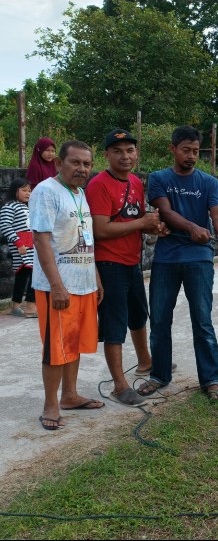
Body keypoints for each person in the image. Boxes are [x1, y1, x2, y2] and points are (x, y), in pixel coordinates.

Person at [139, 126, 218, 401]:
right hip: (166, 259)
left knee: (202, 320)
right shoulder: (159, 178)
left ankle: (211, 379)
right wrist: (193, 227)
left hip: (199, 259)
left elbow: (217, 213)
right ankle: (159, 375)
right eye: (186, 150)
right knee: (160, 319)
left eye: (195, 151)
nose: (191, 156)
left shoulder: (209, 182)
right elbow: (165, 211)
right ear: (173, 149)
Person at [86, 128, 168, 408]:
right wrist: (142, 223)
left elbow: (134, 220)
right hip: (109, 264)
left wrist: (154, 227)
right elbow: (100, 229)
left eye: (130, 150)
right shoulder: (99, 185)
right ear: (106, 155)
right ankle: (119, 385)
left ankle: (145, 362)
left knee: (138, 315)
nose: (125, 156)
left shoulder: (135, 181)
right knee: (114, 325)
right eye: (118, 151)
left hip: (132, 261)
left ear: (136, 153)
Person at [29, 140, 105, 430]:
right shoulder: (46, 191)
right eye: (75, 162)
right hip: (58, 287)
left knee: (73, 343)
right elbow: (41, 239)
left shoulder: (80, 193)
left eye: (87, 164)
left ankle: (70, 395)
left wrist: (94, 277)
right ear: (59, 163)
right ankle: (50, 404)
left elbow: (85, 238)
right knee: (55, 348)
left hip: (83, 283)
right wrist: (56, 285)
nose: (82, 168)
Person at [1, 178, 37, 317]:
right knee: (30, 274)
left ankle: (19, 306)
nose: (28, 193)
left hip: (30, 245)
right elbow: (5, 226)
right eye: (24, 190)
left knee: (27, 275)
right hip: (21, 246)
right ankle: (28, 306)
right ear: (15, 191)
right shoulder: (9, 207)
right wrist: (18, 243)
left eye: (29, 190)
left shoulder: (25, 206)